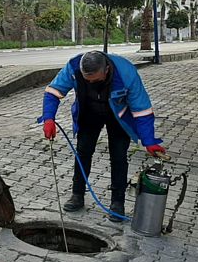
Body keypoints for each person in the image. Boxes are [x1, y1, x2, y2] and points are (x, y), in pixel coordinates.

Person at [39, 51, 165, 222]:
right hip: (89, 113)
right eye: (87, 80)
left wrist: (149, 140)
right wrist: (48, 118)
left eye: (96, 80)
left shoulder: (126, 72)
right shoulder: (73, 66)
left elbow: (141, 110)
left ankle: (117, 202)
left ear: (106, 70)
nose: (91, 83)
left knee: (119, 157)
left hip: (118, 117)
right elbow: (53, 92)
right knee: (83, 152)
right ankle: (77, 195)